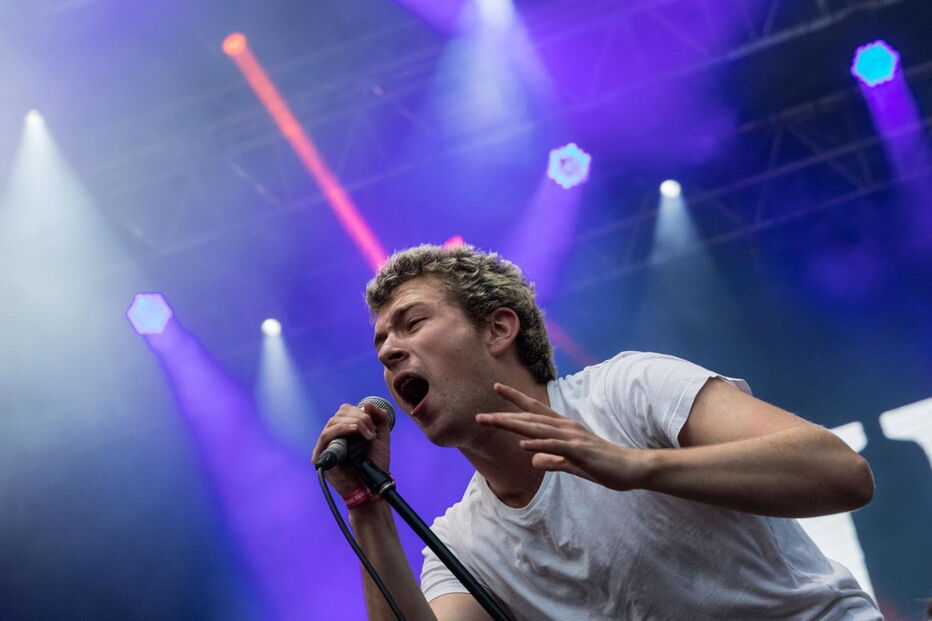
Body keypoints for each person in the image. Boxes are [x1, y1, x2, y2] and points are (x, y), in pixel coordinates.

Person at [312, 244, 880, 620]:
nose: (389, 351)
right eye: (382, 345)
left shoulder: (628, 390)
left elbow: (841, 473)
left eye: (413, 322)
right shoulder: (462, 541)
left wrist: (635, 467)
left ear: (498, 328)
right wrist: (366, 507)